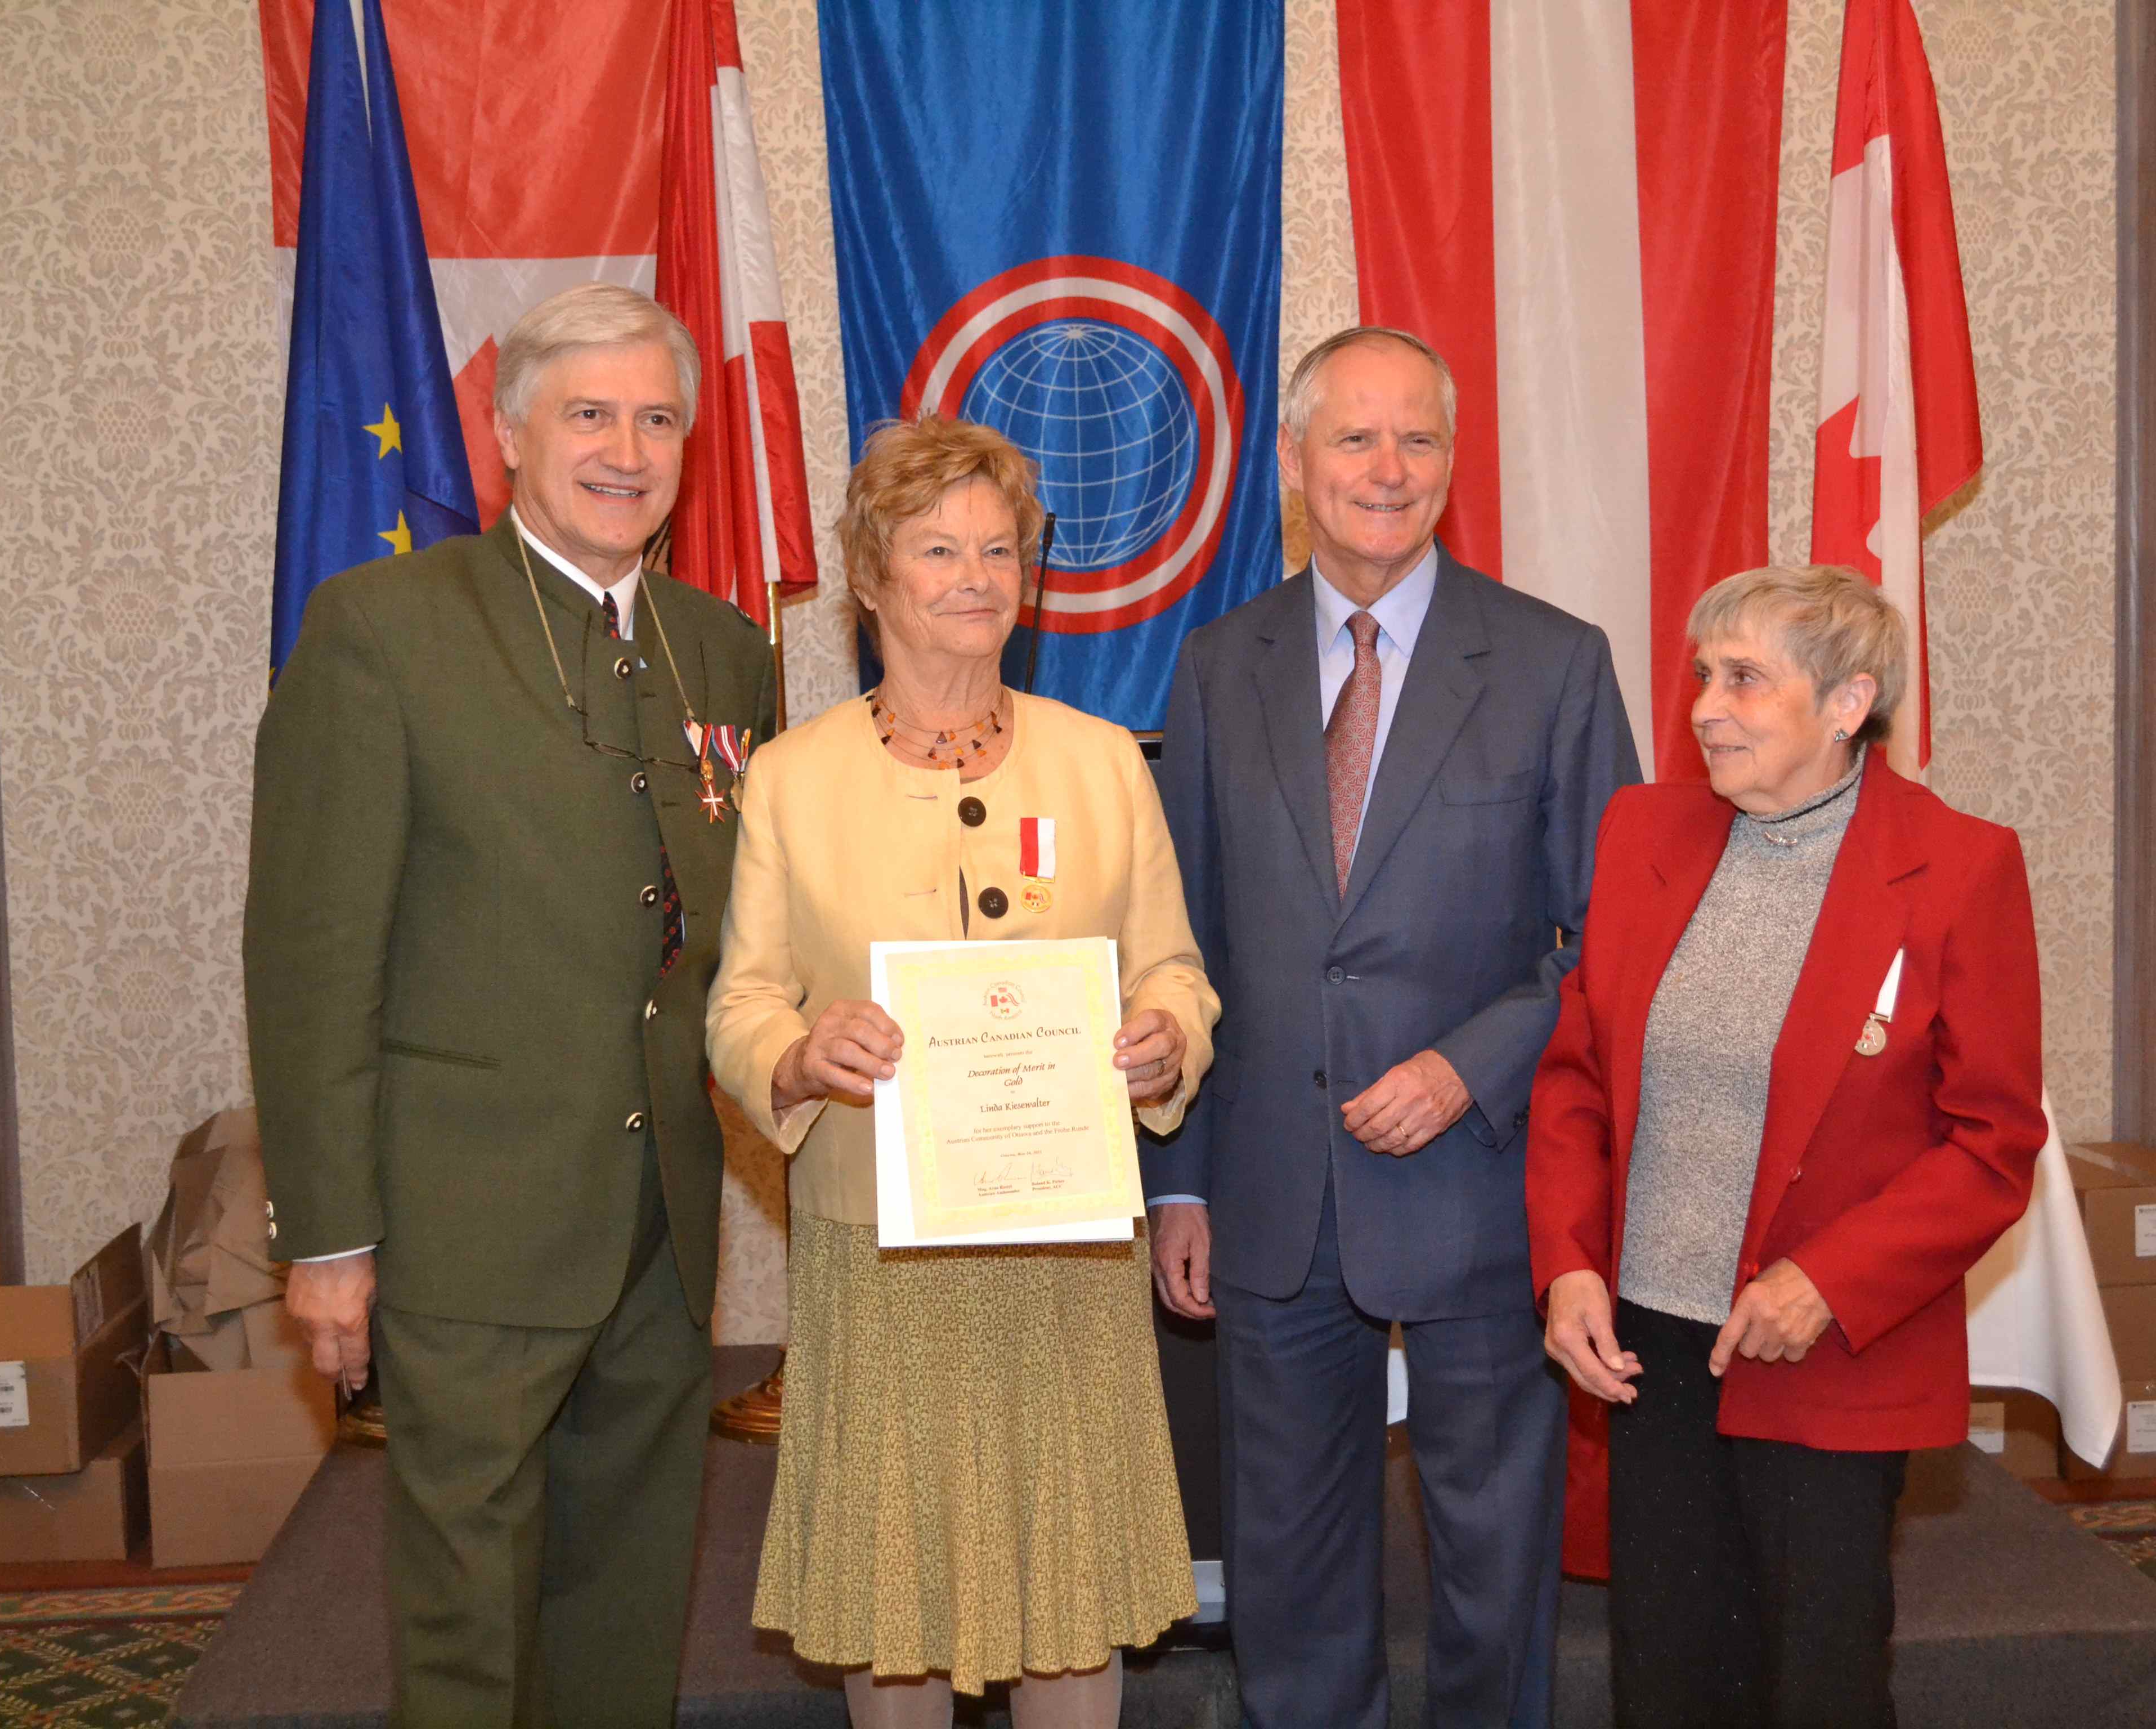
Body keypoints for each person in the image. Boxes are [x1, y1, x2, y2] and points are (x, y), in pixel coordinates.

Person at [245, 283, 777, 1725]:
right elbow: (309, 959)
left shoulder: (725, 653)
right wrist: (331, 1239)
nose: (627, 447)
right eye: (588, 413)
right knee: (470, 1620)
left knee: (627, 1591)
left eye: (657, 417)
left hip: (662, 1217)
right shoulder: (382, 632)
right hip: (466, 1220)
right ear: (508, 435)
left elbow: (758, 936)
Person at [1150, 326, 1639, 1728]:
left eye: (1418, 438)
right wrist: (1175, 1177)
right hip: (1272, 1186)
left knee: (1494, 1562)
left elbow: (1612, 940)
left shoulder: (1553, 663)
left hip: (1480, 1179)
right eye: (1355, 439)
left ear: (1452, 461)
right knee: (1291, 1565)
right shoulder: (1215, 666)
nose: (1389, 467)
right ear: (1297, 467)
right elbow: (1184, 940)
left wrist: (1467, 1063)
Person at [703, 414, 1214, 1729]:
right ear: (872, 577)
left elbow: (1175, 969)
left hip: (1067, 1250)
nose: (979, 575)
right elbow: (743, 1002)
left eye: (1003, 548)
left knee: (1068, 1596)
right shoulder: (792, 778)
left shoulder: (1104, 762)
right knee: (900, 1611)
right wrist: (801, 1055)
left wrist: (1167, 1036)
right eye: (940, 549)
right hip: (883, 1252)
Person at [1526, 563, 2047, 1728]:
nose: (1706, 704)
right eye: (1705, 675)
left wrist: (1828, 1280)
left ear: (1849, 701)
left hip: (1827, 1353)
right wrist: (1565, 1263)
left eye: (1746, 680)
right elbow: (1575, 1082)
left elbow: (1993, 1142)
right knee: (1666, 1675)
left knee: (1817, 1680)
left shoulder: (1960, 870)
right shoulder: (1641, 831)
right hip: (1648, 1354)